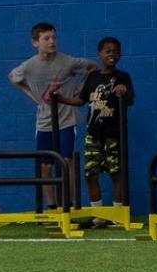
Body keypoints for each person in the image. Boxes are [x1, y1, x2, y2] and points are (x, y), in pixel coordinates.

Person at [8, 22, 97, 209]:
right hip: (44, 122)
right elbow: (12, 77)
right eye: (46, 38)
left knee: (67, 162)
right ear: (35, 42)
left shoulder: (67, 62)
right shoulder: (29, 66)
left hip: (66, 119)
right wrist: (32, 95)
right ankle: (52, 206)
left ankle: (70, 204)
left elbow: (92, 66)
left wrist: (81, 88)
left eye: (54, 37)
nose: (52, 41)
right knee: (45, 166)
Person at [54, 37, 134, 227]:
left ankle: (117, 215)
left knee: (116, 174)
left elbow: (131, 101)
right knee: (90, 174)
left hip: (114, 134)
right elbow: (81, 101)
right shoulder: (92, 77)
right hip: (93, 133)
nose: (112, 55)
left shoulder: (123, 77)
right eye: (107, 51)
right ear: (100, 54)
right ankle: (98, 214)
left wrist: (124, 92)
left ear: (120, 55)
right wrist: (62, 99)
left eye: (115, 52)